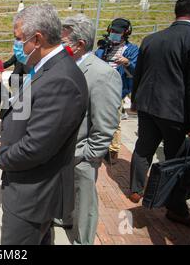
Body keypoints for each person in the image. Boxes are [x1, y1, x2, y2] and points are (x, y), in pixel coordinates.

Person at [0, 4, 88, 245]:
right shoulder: (48, 68)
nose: (16, 46)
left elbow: (37, 146)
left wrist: (2, 155)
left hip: (32, 196)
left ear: (37, 39)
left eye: (18, 39)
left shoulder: (61, 79)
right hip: (31, 190)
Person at [129, 0, 190, 230]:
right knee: (178, 163)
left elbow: (138, 73)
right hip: (175, 113)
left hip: (148, 107)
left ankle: (136, 191)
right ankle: (177, 210)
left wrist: (136, 102)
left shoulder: (152, 38)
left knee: (143, 149)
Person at [61, 14, 122, 244]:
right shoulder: (68, 65)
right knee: (68, 194)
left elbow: (106, 123)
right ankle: (66, 219)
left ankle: (83, 240)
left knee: (85, 202)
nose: (60, 44)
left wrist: (90, 156)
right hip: (64, 152)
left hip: (82, 155)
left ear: (80, 44)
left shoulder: (102, 74)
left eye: (64, 40)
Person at [95, 18, 139, 163]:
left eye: (118, 32)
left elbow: (137, 71)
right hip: (100, 87)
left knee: (114, 121)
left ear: (125, 33)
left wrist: (127, 63)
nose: (114, 34)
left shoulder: (131, 50)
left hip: (117, 89)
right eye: (113, 31)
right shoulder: (104, 47)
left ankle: (113, 150)